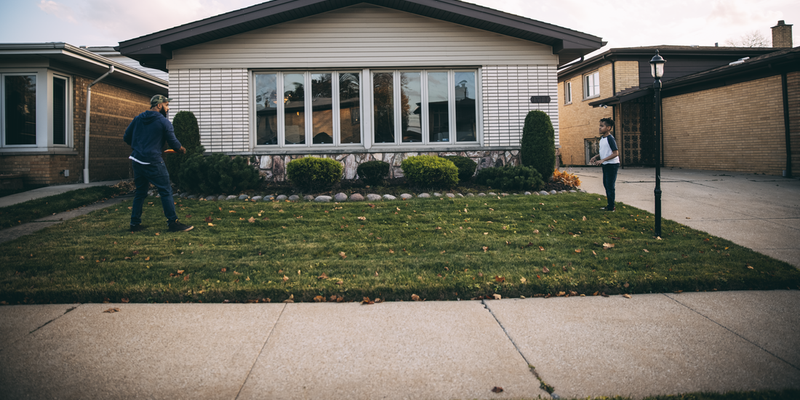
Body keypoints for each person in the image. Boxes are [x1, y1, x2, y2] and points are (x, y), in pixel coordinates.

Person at [124, 94, 193, 232]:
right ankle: (173, 222)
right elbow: (174, 143)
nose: (168, 109)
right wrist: (181, 150)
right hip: (153, 161)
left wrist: (139, 147)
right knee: (166, 190)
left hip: (137, 160)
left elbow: (126, 137)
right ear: (159, 105)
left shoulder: (138, 118)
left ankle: (134, 224)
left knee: (140, 192)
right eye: (166, 105)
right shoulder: (163, 122)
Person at [590, 118, 620, 212]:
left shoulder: (610, 138)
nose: (599, 128)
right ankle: (610, 205)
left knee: (610, 185)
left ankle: (611, 207)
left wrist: (602, 160)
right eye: (600, 126)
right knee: (606, 185)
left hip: (612, 165)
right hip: (606, 164)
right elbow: (605, 152)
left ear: (608, 128)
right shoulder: (602, 138)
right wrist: (596, 157)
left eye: (602, 126)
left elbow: (615, 153)